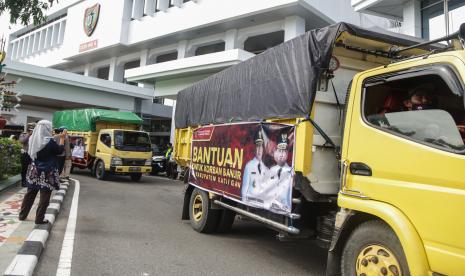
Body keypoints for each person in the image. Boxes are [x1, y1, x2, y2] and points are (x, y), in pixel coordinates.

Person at [19, 120, 65, 224]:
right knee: (45, 195)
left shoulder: (32, 139)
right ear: (47, 128)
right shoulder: (50, 142)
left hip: (34, 170)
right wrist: (62, 138)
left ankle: (22, 215)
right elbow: (60, 151)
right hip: (48, 172)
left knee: (30, 193)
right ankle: (39, 219)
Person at [262, 132, 293, 213]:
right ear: (274, 153)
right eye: (279, 151)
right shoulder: (270, 170)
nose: (281, 155)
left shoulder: (291, 172)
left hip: (284, 209)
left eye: (284, 152)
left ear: (288, 154)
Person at [241, 129, 269, 207]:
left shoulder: (266, 169)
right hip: (250, 203)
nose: (259, 150)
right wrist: (244, 204)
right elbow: (245, 187)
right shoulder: (249, 166)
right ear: (255, 149)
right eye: (257, 146)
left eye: (261, 147)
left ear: (263, 150)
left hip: (262, 204)